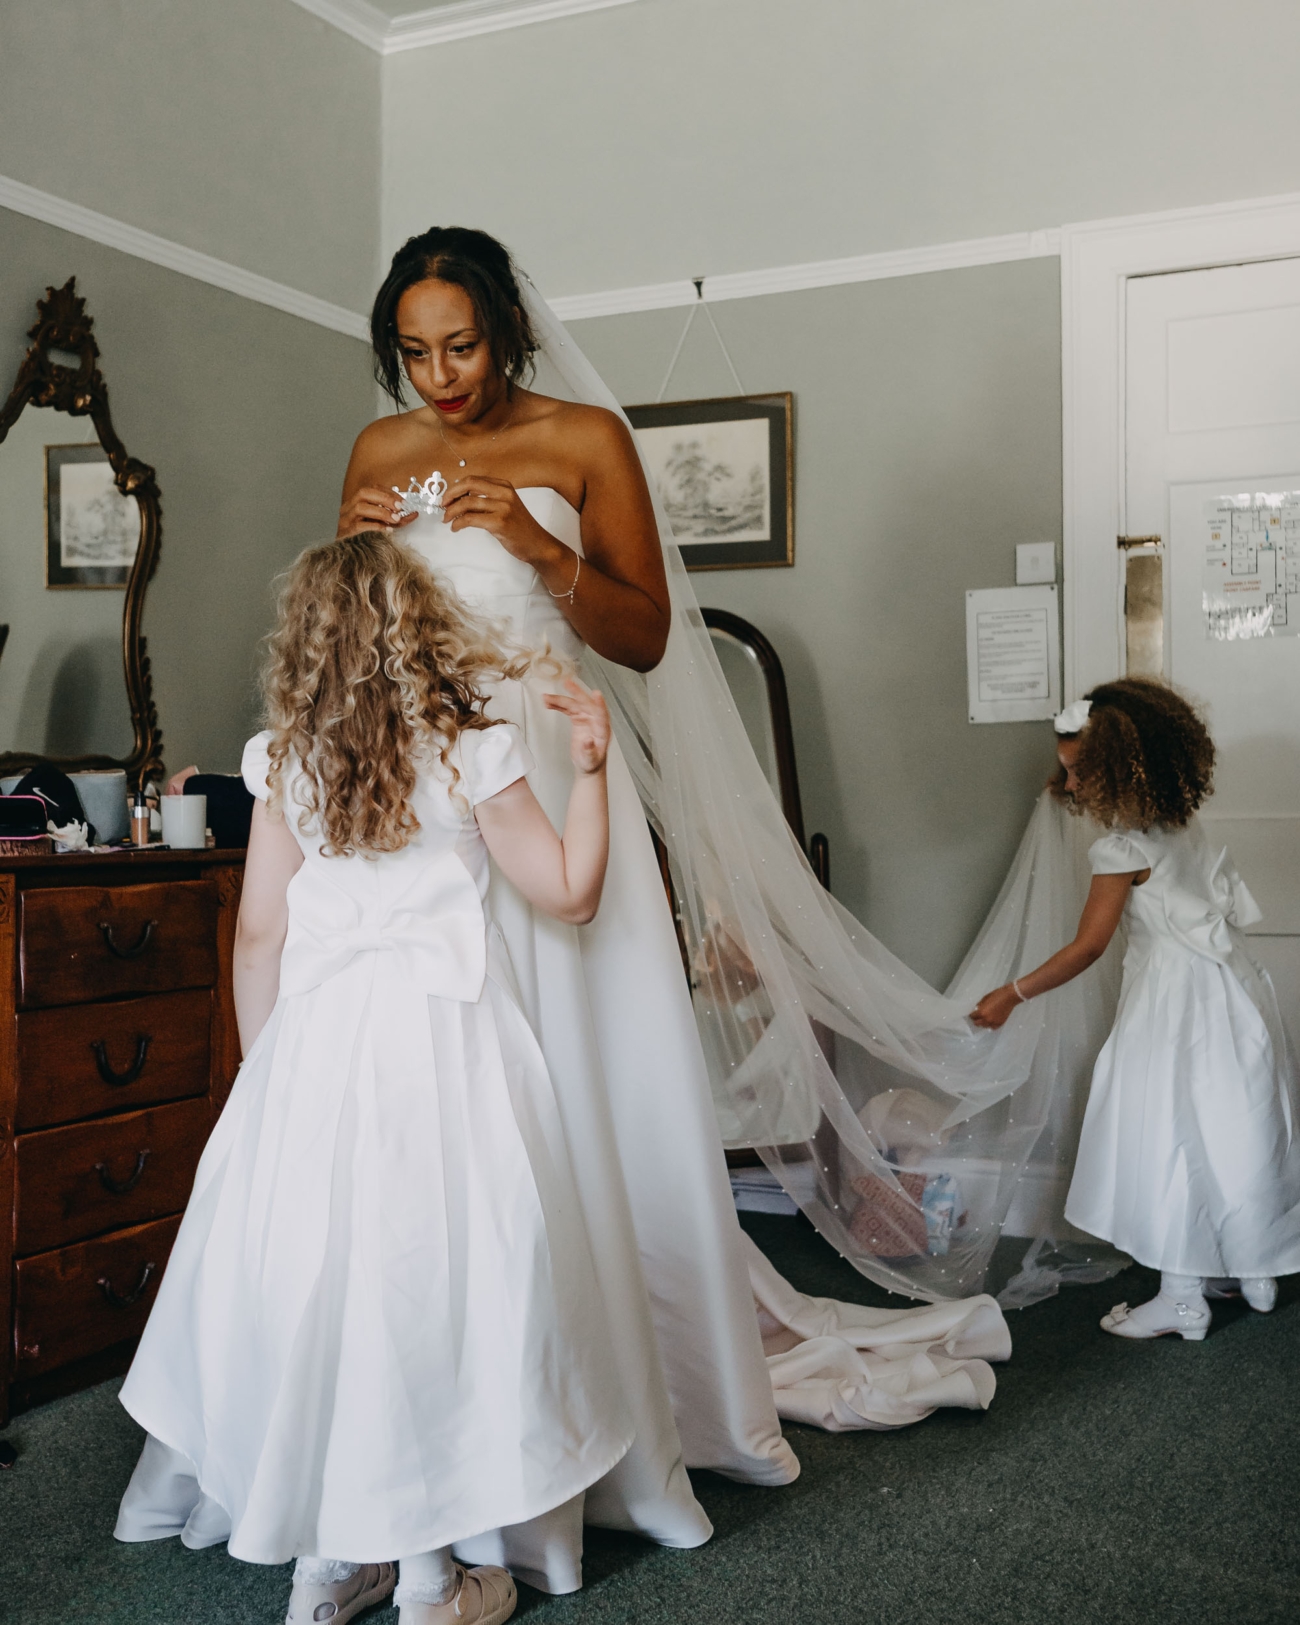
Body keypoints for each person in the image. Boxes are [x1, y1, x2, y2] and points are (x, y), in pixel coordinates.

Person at [337, 227, 800, 1590]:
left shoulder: (585, 436)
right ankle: (435, 1418)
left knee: (570, 1082)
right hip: (425, 803)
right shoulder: (375, 457)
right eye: (413, 352)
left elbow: (649, 636)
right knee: (436, 1102)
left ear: (508, 331)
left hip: (543, 771)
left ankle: (603, 1410)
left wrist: (536, 550)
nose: (440, 376)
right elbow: (357, 634)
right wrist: (364, 563)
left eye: (461, 345)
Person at [115, 532, 634, 1625]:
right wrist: (588, 772)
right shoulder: (471, 752)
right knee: (436, 1292)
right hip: (445, 1046)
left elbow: (258, 937)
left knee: (327, 1292)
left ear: (305, 644)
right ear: (418, 630)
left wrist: (265, 1076)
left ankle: (327, 1564)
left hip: (317, 1044)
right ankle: (432, 1580)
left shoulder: (284, 760)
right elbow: (572, 894)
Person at [972, 679, 1300, 1339]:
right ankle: (1254, 1270)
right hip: (1234, 991)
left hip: (1175, 1006)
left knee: (1167, 1134)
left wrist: (1012, 992)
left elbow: (1088, 948)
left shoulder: (1119, 849)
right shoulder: (1180, 820)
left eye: (1078, 772)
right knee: (1235, 1127)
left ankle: (1183, 1297)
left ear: (1116, 769)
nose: (1069, 787)